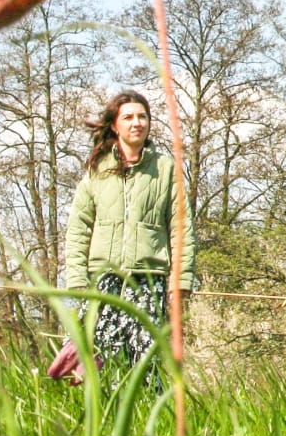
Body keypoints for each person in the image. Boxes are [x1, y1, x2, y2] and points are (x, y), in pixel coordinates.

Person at [63, 90, 192, 375]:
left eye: (142, 117)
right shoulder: (97, 170)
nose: (137, 123)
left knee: (146, 367)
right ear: (114, 125)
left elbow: (181, 230)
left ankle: (149, 417)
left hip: (150, 285)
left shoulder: (166, 169)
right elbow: (78, 230)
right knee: (98, 364)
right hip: (103, 283)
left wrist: (179, 284)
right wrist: (77, 281)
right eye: (129, 117)